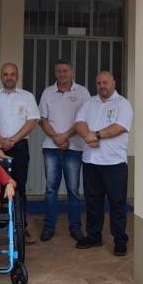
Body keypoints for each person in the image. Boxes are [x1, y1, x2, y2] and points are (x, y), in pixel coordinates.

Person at [73, 71, 133, 257]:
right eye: (99, 83)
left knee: (117, 204)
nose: (102, 86)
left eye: (105, 82)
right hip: (91, 161)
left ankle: (120, 240)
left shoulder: (123, 104)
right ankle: (94, 236)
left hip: (114, 163)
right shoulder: (89, 103)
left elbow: (119, 127)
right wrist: (88, 136)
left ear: (114, 83)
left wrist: (96, 135)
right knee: (93, 202)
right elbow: (79, 123)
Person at [0, 63, 39, 243]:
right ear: (1, 76)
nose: (9, 77)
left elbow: (32, 121)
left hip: (20, 147)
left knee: (19, 187)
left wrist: (13, 139)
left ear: (17, 76)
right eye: (6, 74)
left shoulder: (27, 97)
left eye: (12, 74)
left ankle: (20, 226)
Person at [37, 59, 88, 242]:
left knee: (73, 190)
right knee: (51, 190)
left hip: (74, 148)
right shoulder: (48, 92)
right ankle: (49, 227)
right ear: (55, 73)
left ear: (72, 72)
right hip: (51, 148)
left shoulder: (82, 92)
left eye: (65, 71)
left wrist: (64, 137)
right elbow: (42, 120)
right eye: (59, 71)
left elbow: (83, 120)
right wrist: (56, 138)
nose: (62, 74)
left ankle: (75, 227)